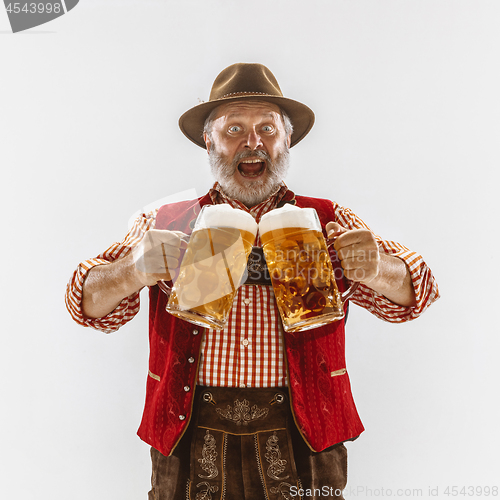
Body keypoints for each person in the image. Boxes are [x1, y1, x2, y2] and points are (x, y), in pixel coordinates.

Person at [65, 63, 439, 499]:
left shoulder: (328, 220)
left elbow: (419, 293)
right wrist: (133, 270)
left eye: (266, 127)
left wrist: (377, 268)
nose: (252, 141)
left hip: (304, 437)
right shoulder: (166, 222)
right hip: (189, 435)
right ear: (209, 140)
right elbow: (85, 304)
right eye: (234, 129)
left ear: (287, 140)